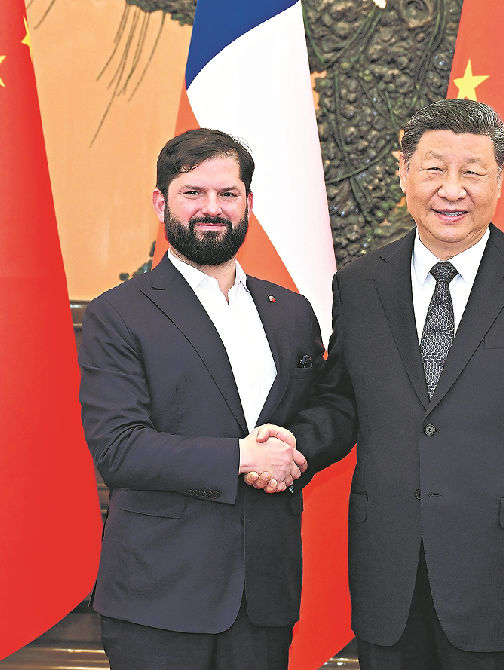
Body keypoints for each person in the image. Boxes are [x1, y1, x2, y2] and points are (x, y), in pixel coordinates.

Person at [251, 99, 504, 669]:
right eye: (434, 169)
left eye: (472, 172)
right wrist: (295, 447)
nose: (452, 190)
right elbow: (344, 402)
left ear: (499, 180)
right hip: (390, 577)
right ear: (404, 174)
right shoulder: (360, 285)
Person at [78, 128, 322, 670]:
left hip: (264, 598)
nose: (212, 208)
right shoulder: (118, 314)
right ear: (160, 202)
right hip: (158, 598)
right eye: (193, 193)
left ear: (248, 203)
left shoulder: (291, 312)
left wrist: (292, 448)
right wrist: (242, 457)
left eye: (227, 194)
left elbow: (327, 408)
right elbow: (119, 449)